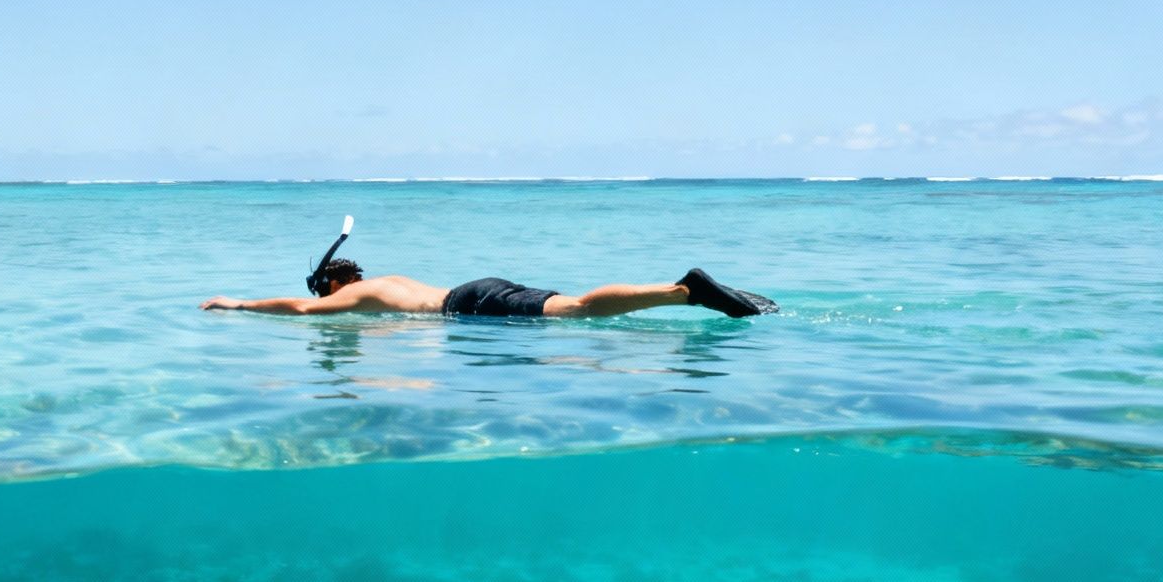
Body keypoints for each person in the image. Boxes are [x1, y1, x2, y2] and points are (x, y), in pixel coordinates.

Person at [202, 262, 776, 319]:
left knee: (575, 312)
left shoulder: (353, 296)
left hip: (469, 304)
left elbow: (301, 309)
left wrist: (237, 303)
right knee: (569, 309)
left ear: (334, 284)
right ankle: (727, 295)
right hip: (477, 291)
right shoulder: (387, 281)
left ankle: (684, 292)